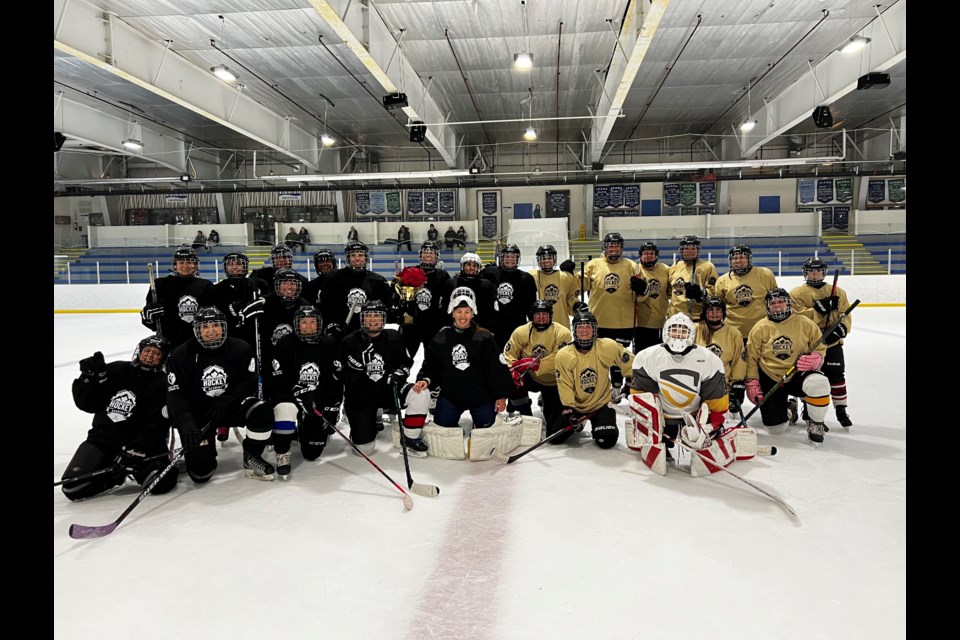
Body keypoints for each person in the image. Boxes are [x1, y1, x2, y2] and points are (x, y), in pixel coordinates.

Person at [627, 314, 752, 477]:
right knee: (655, 432)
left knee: (702, 440)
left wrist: (710, 426)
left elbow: (715, 401)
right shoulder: (646, 357)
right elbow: (644, 399)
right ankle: (660, 440)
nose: (678, 336)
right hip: (663, 417)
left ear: (691, 335)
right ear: (665, 332)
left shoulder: (710, 360)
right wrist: (647, 425)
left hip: (694, 418)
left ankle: (715, 441)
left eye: (683, 332)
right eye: (674, 331)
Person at [166, 306, 277, 482]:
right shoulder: (180, 355)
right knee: (200, 473)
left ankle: (252, 456)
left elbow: (249, 381)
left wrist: (228, 398)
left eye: (216, 325)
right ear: (197, 330)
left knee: (261, 410)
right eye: (205, 327)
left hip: (232, 406)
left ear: (224, 327)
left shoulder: (240, 348)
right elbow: (174, 392)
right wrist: (185, 420)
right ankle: (200, 455)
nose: (211, 331)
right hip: (201, 414)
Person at [60, 336, 177, 501]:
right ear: (139, 352)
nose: (150, 356)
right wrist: (88, 378)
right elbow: (88, 404)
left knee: (161, 482)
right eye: (147, 351)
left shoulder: (162, 383)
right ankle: (114, 475)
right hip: (102, 440)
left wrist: (137, 450)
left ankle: (141, 467)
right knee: (72, 488)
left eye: (157, 353)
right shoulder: (116, 369)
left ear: (163, 359)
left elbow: (157, 424)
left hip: (141, 444)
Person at [411, 287, 514, 458]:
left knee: (487, 432)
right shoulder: (441, 338)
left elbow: (496, 367)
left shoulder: (485, 337)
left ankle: (479, 422)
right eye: (459, 311)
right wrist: (425, 379)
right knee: (442, 426)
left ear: (473, 313)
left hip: (481, 396)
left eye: (467, 311)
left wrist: (500, 395)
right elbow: (432, 366)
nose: (463, 316)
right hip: (452, 396)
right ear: (452, 312)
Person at [336, 300, 430, 456]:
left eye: (377, 316)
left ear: (384, 318)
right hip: (361, 397)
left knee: (421, 393)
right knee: (363, 450)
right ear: (362, 318)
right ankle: (364, 422)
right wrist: (357, 367)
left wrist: (401, 372)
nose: (373, 319)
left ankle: (410, 437)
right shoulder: (349, 342)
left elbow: (405, 361)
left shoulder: (393, 337)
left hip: (388, 391)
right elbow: (339, 374)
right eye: (369, 316)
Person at [744, 288, 831, 443]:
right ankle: (790, 410)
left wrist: (816, 358)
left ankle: (816, 423)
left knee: (819, 383)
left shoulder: (805, 323)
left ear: (789, 303)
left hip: (798, 373)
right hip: (772, 376)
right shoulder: (760, 328)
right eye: (773, 303)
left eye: (781, 302)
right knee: (775, 430)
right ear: (767, 306)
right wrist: (752, 381)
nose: (777, 306)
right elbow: (751, 358)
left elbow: (820, 347)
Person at [269, 305, 343, 476]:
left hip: (316, 400)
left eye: (313, 322)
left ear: (319, 324)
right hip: (290, 396)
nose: (308, 326)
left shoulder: (329, 344)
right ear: (296, 324)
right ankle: (282, 452)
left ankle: (305, 426)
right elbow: (277, 376)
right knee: (284, 410)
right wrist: (297, 390)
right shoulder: (285, 343)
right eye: (304, 322)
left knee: (311, 453)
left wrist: (332, 407)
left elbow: (336, 379)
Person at [551, 309, 634, 449]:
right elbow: (564, 384)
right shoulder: (564, 354)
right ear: (574, 330)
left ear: (595, 329)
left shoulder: (607, 346)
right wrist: (569, 409)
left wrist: (630, 381)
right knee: (555, 437)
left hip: (600, 404)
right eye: (580, 327)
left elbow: (629, 362)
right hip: (575, 405)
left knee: (606, 441)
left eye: (588, 327)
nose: (584, 331)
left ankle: (599, 423)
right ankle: (579, 422)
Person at [789, 258, 854, 428]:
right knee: (808, 378)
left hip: (832, 344)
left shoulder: (838, 292)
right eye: (811, 270)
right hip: (809, 344)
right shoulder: (796, 293)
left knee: (837, 376)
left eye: (818, 270)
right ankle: (809, 411)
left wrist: (841, 330)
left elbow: (844, 314)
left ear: (824, 272)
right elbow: (797, 317)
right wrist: (817, 309)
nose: (815, 273)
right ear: (805, 272)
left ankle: (841, 410)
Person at [582, 232, 639, 393]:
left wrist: (642, 288)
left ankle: (616, 387)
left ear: (621, 248)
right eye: (610, 246)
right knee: (599, 357)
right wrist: (571, 274)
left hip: (623, 322)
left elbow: (642, 295)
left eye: (617, 246)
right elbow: (582, 285)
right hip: (598, 321)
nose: (613, 249)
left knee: (619, 357)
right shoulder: (593, 264)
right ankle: (599, 388)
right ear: (604, 248)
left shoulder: (631, 266)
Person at [502, 300, 572, 424]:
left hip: (553, 382)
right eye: (537, 314)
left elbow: (560, 358)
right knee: (510, 381)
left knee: (554, 425)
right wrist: (512, 370)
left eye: (544, 314)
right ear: (531, 316)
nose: (541, 318)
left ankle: (548, 404)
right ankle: (526, 416)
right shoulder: (521, 332)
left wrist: (535, 364)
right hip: (530, 377)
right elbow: (508, 354)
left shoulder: (562, 333)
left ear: (551, 316)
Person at [140, 245, 214, 350]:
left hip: (198, 344)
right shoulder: (160, 285)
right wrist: (148, 318)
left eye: (189, 262)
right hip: (169, 343)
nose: (185, 266)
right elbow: (151, 323)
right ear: (175, 265)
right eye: (181, 262)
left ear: (195, 264)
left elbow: (211, 315)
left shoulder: (206, 285)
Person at [318, 240, 394, 340]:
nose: (357, 258)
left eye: (360, 255)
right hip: (340, 333)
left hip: (369, 333)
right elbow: (325, 306)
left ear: (366, 257)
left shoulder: (378, 280)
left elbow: (386, 308)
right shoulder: (333, 278)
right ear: (348, 257)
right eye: (353, 255)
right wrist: (331, 325)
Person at [396, 241, 453, 360]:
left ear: (437, 256)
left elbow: (446, 301)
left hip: (433, 323)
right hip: (412, 322)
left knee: (434, 357)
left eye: (431, 253)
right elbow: (403, 299)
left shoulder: (442, 275)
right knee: (405, 355)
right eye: (425, 253)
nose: (428, 255)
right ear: (420, 255)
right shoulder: (410, 272)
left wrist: (444, 323)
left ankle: (431, 378)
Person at [480, 243, 538, 355]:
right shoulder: (490, 273)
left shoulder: (526, 278)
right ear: (501, 258)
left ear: (518, 259)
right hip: (495, 329)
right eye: (507, 256)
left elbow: (531, 307)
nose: (510, 259)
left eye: (513, 257)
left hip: (517, 328)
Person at [712, 244, 779, 341]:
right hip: (733, 332)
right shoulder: (722, 281)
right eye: (735, 258)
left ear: (748, 259)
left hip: (762, 330)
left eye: (742, 257)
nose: (738, 261)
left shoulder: (765, 274)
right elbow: (719, 308)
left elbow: (774, 301)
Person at [694, 297, 747, 417]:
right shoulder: (695, 329)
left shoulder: (733, 333)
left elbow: (739, 360)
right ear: (704, 312)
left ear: (723, 313)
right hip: (697, 385)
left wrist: (737, 384)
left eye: (718, 310)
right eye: (711, 310)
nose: (714, 313)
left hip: (722, 387)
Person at [667, 235, 718, 321]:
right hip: (675, 319)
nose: (690, 251)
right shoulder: (674, 267)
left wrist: (701, 294)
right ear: (681, 250)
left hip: (698, 318)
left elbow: (715, 292)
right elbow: (669, 292)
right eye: (687, 248)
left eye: (693, 248)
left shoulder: (707, 267)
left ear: (698, 250)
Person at [632, 241, 671, 352]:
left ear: (656, 255)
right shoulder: (635, 271)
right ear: (640, 256)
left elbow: (670, 292)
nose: (649, 256)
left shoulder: (665, 269)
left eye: (651, 253)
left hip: (660, 322)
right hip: (640, 324)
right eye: (645, 253)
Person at [530, 244, 580, 329]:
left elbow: (571, 298)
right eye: (543, 258)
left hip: (561, 325)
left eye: (549, 258)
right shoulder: (531, 276)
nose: (546, 261)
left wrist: (577, 306)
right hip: (539, 324)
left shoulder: (566, 277)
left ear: (554, 259)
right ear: (538, 260)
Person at [447, 252, 497, 334]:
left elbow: (490, 310)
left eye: (474, 266)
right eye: (468, 265)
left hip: (480, 329)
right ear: (462, 266)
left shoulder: (486, 285)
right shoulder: (452, 283)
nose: (471, 268)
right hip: (456, 329)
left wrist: (490, 329)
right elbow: (446, 308)